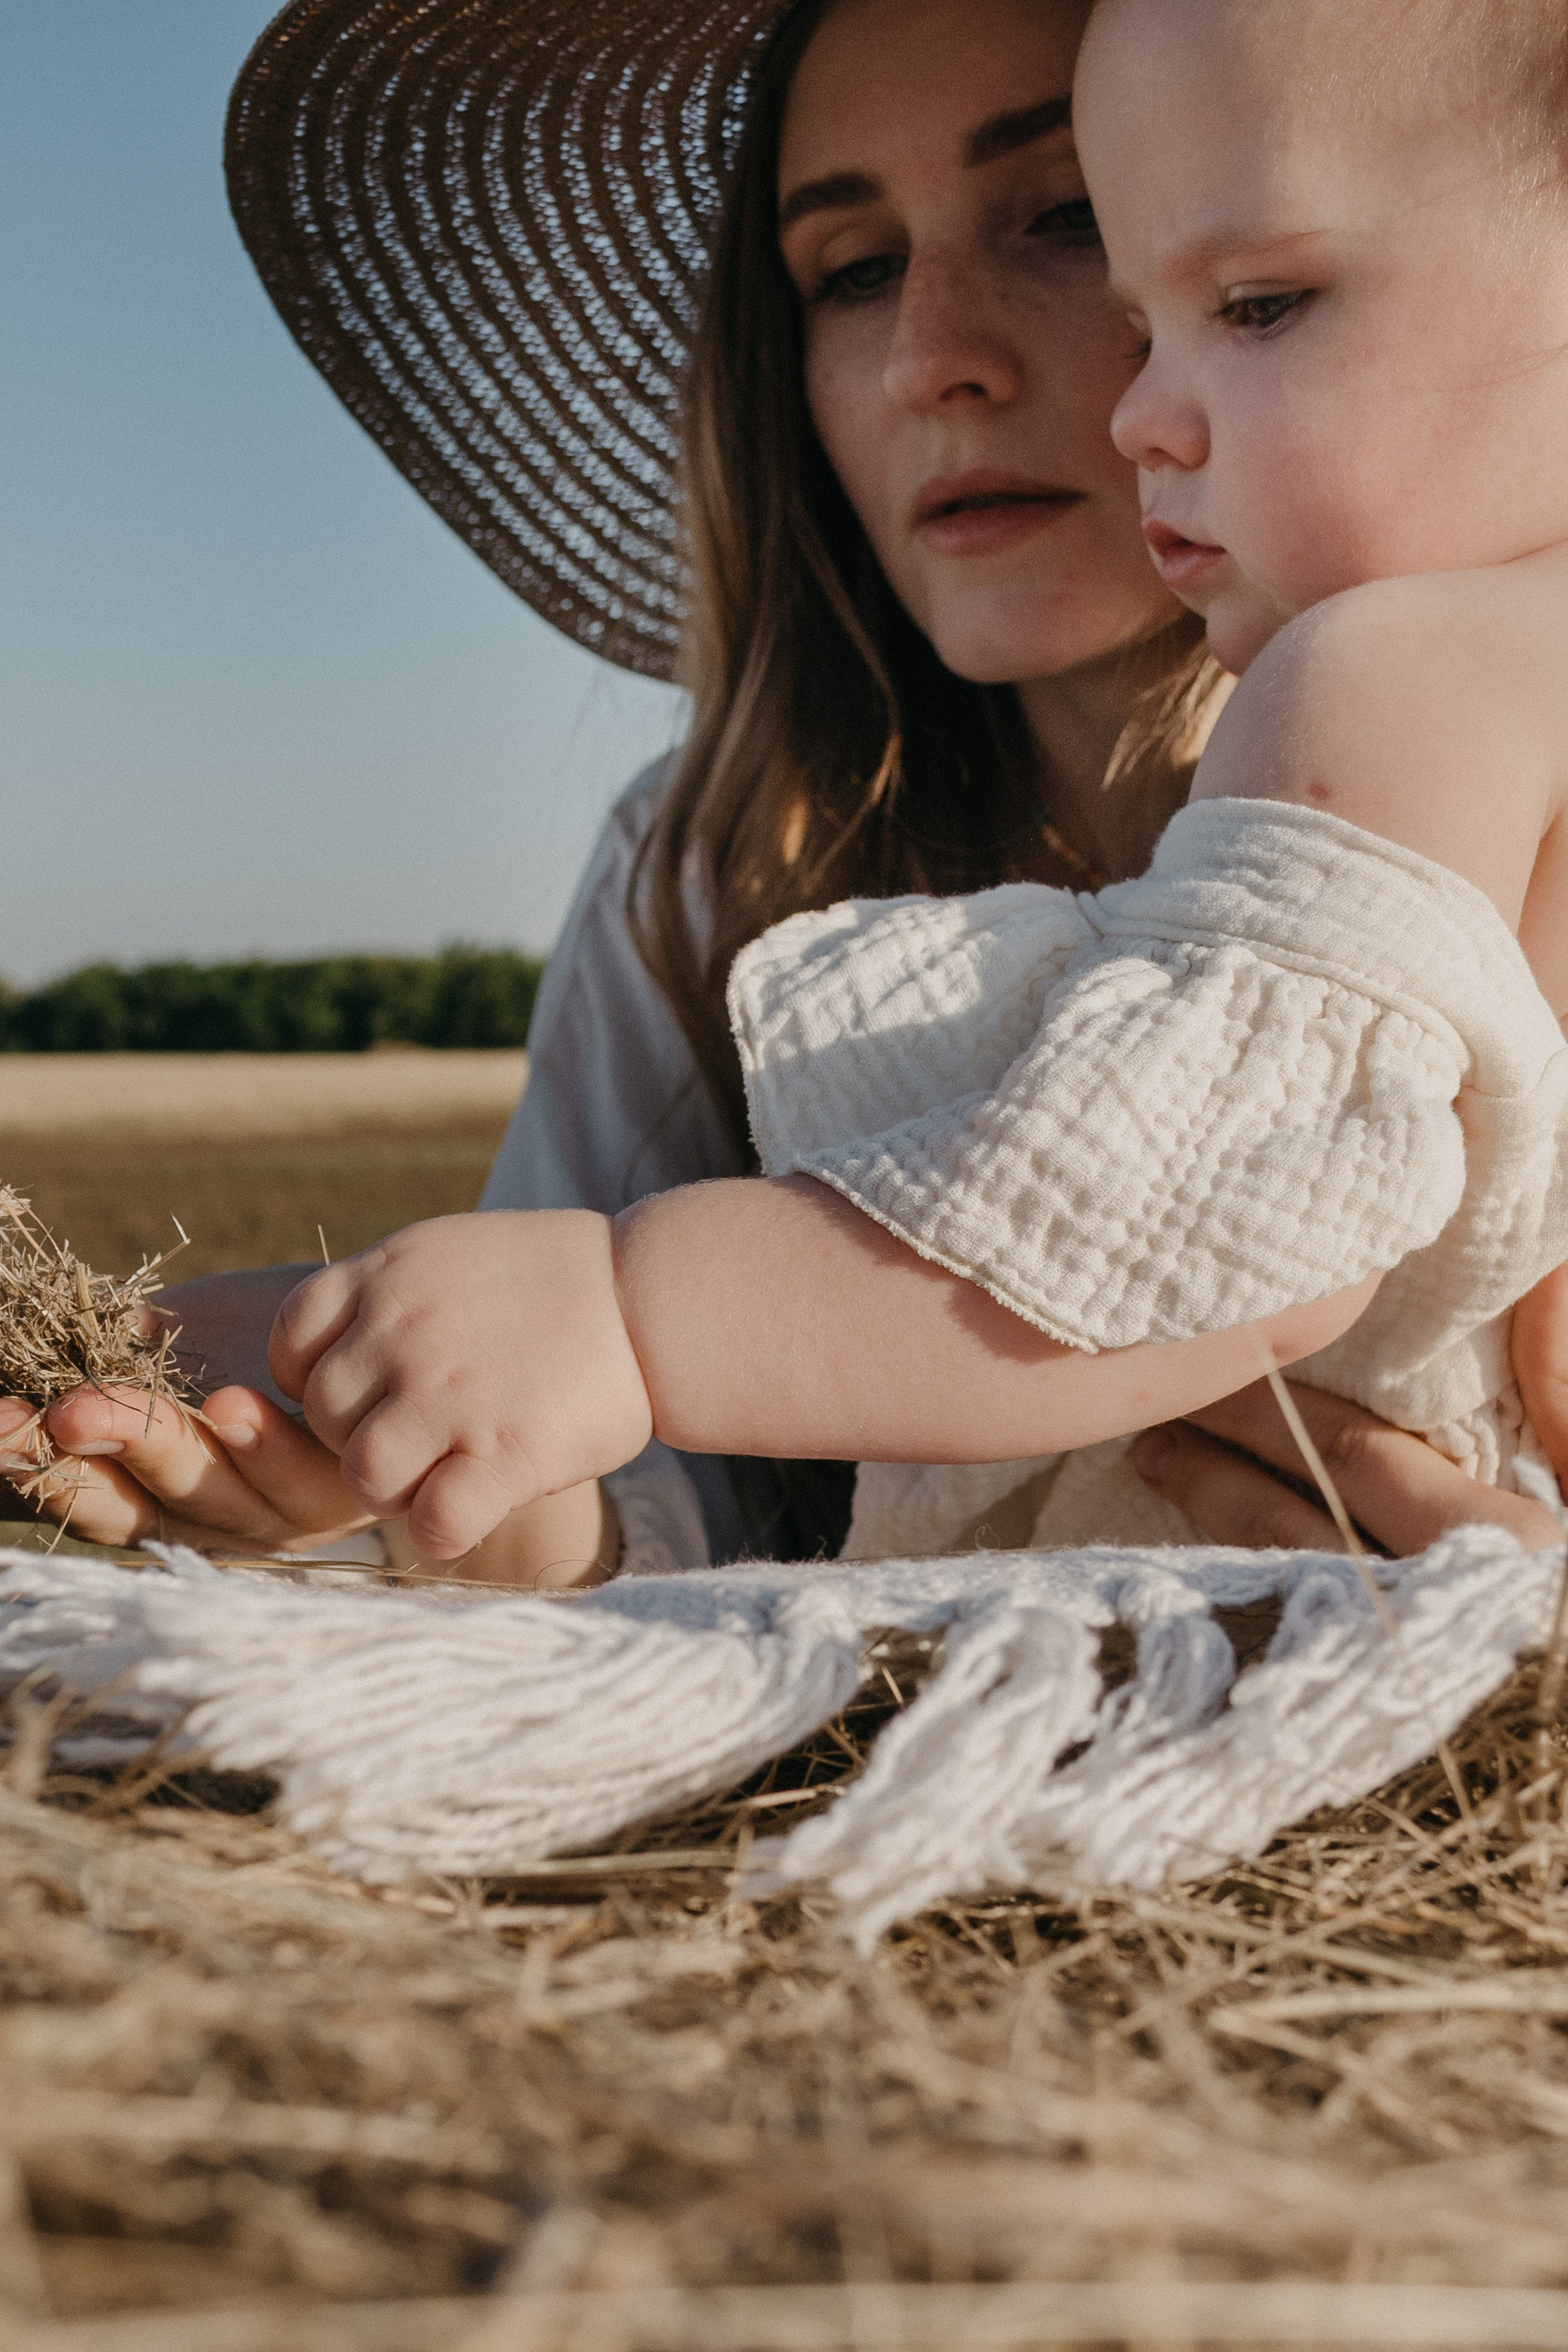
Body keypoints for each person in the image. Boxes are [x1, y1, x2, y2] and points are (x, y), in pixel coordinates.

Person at [5, 0, 1566, 1567]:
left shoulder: (1413, 691)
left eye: (1066, 218)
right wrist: (484, 1494)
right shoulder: (708, 865)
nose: (929, 357)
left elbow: (1198, 1210)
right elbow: (697, 1520)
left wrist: (629, 1308)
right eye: (852, 270)